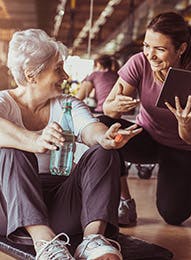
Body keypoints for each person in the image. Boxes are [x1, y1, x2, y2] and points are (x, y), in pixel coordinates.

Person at [0, 29, 142, 260]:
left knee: (103, 151)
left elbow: (89, 129)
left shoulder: (67, 104)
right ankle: (44, 242)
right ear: (31, 75)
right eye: (58, 69)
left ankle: (93, 240)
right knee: (11, 149)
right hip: (10, 211)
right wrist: (33, 140)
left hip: (60, 206)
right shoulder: (4, 101)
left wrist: (104, 137)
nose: (65, 76)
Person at [101, 12, 191, 226]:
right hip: (146, 139)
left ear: (181, 49)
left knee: (174, 216)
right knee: (103, 126)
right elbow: (108, 110)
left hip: (181, 148)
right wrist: (116, 106)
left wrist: (185, 123)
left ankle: (172, 179)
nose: (150, 55)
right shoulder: (139, 62)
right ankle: (125, 202)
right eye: (146, 45)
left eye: (160, 49)